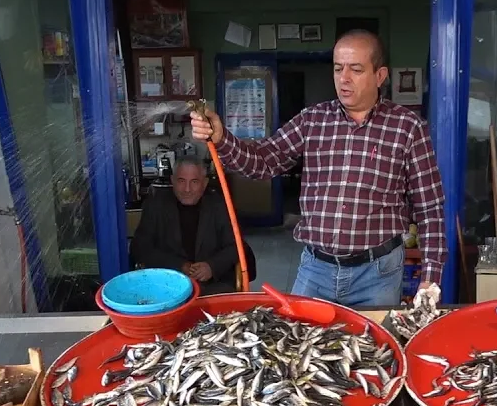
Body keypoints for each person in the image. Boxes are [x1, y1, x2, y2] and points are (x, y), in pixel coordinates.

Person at [189, 29, 445, 307]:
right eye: (338, 68)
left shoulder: (407, 127)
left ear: (380, 76)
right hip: (315, 271)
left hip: (378, 274)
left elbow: (429, 206)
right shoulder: (312, 121)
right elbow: (262, 161)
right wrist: (222, 138)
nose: (344, 78)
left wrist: (430, 276)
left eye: (356, 69)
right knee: (299, 345)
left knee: (372, 347)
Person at [131, 160, 241, 295]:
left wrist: (212, 266)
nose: (187, 189)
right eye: (181, 181)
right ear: (172, 181)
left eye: (194, 182)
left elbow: (236, 246)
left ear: (204, 183)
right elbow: (139, 248)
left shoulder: (219, 206)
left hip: (213, 286)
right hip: (167, 286)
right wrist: (179, 265)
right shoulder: (156, 206)